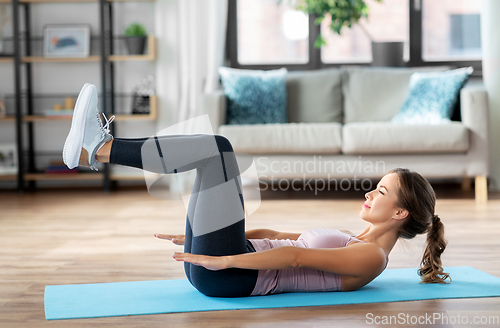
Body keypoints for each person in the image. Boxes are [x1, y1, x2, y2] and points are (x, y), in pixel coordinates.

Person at [63, 83, 452, 298]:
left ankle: (99, 148)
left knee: (218, 150)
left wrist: (225, 260)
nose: (369, 194)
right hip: (226, 261)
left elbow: (295, 260)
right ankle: (98, 148)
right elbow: (277, 237)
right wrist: (199, 236)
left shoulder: (372, 259)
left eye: (381, 193)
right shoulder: (355, 240)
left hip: (230, 276)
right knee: (211, 155)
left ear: (401, 213)